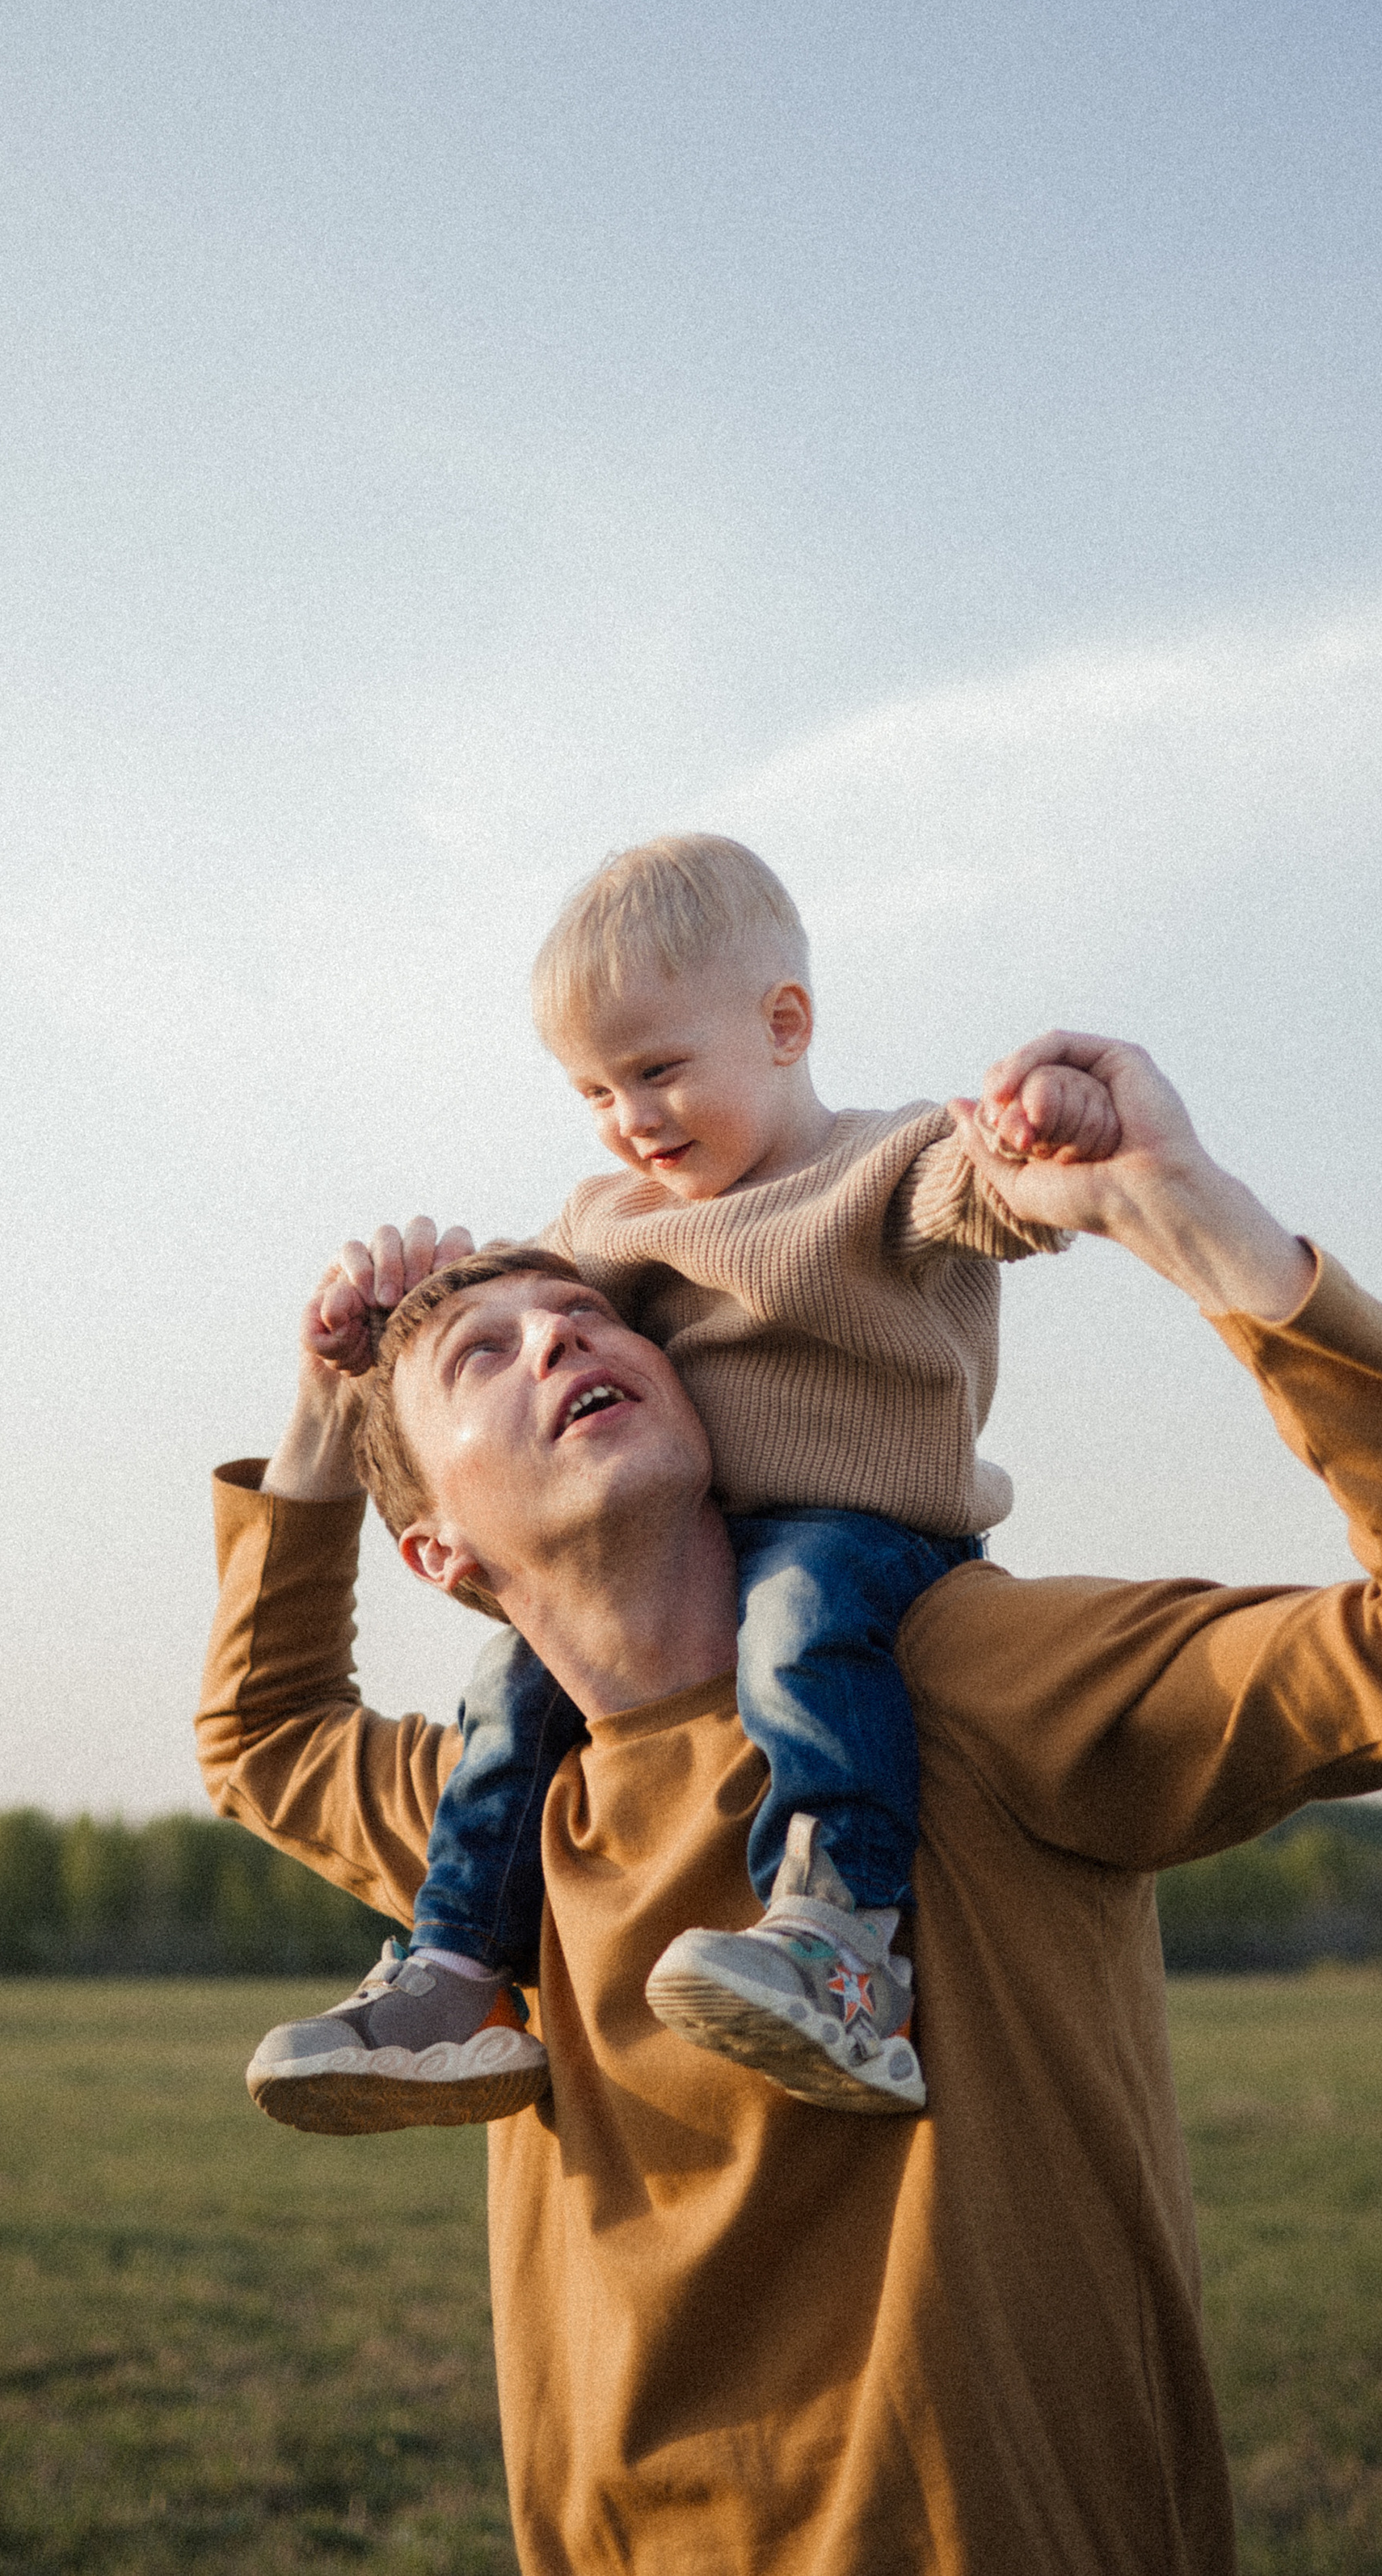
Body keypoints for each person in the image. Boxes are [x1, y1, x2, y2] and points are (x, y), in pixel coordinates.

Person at [196, 1035, 1382, 2576]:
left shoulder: (974, 1684)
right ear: (440, 1555)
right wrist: (328, 1418)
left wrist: (1196, 1220)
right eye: (483, 1352)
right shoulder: (493, 1828)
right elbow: (262, 1735)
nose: (553, 1339)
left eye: (592, 1313)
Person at [249, 836, 1120, 2130]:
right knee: (509, 1685)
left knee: (799, 1632)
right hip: (711, 1552)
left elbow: (984, 1189)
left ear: (783, 1025)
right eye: (595, 1090)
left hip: (868, 1537)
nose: (632, 1120)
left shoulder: (878, 1163)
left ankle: (840, 1933)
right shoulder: (608, 1220)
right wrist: (380, 1335)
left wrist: (1038, 1137)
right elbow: (491, 1340)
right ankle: (461, 1973)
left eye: (658, 1071)